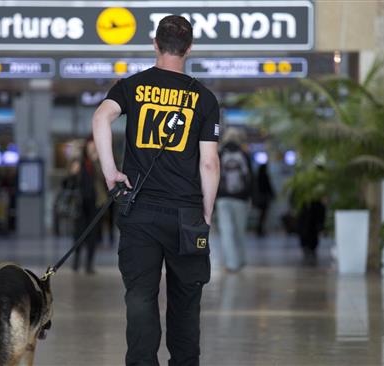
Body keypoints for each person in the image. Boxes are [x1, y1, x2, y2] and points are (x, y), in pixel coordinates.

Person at [92, 15, 220, 366]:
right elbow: (209, 163)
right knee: (186, 302)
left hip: (140, 212)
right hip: (186, 214)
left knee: (141, 299)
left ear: (155, 43)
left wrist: (110, 173)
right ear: (190, 48)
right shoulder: (204, 98)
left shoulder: (132, 86)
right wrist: (206, 212)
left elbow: (101, 118)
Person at [216, 128, 253, 272]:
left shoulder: (219, 153)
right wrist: (250, 196)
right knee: (240, 230)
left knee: (226, 231)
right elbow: (250, 178)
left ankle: (232, 264)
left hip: (223, 198)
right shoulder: (244, 154)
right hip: (241, 198)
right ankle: (241, 259)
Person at [72, 138, 102, 275]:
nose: (92, 149)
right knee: (78, 233)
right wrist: (74, 168)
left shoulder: (101, 161)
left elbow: (104, 178)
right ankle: (76, 262)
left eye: (94, 147)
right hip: (80, 203)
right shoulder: (80, 162)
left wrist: (97, 161)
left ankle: (89, 264)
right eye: (90, 147)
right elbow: (70, 179)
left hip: (95, 203)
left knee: (92, 235)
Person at [253, 163, 275, 237]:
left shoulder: (257, 177)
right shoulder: (265, 176)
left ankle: (259, 229)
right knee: (263, 215)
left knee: (261, 215)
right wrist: (273, 195)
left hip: (260, 198)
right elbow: (269, 187)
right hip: (264, 198)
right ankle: (260, 229)